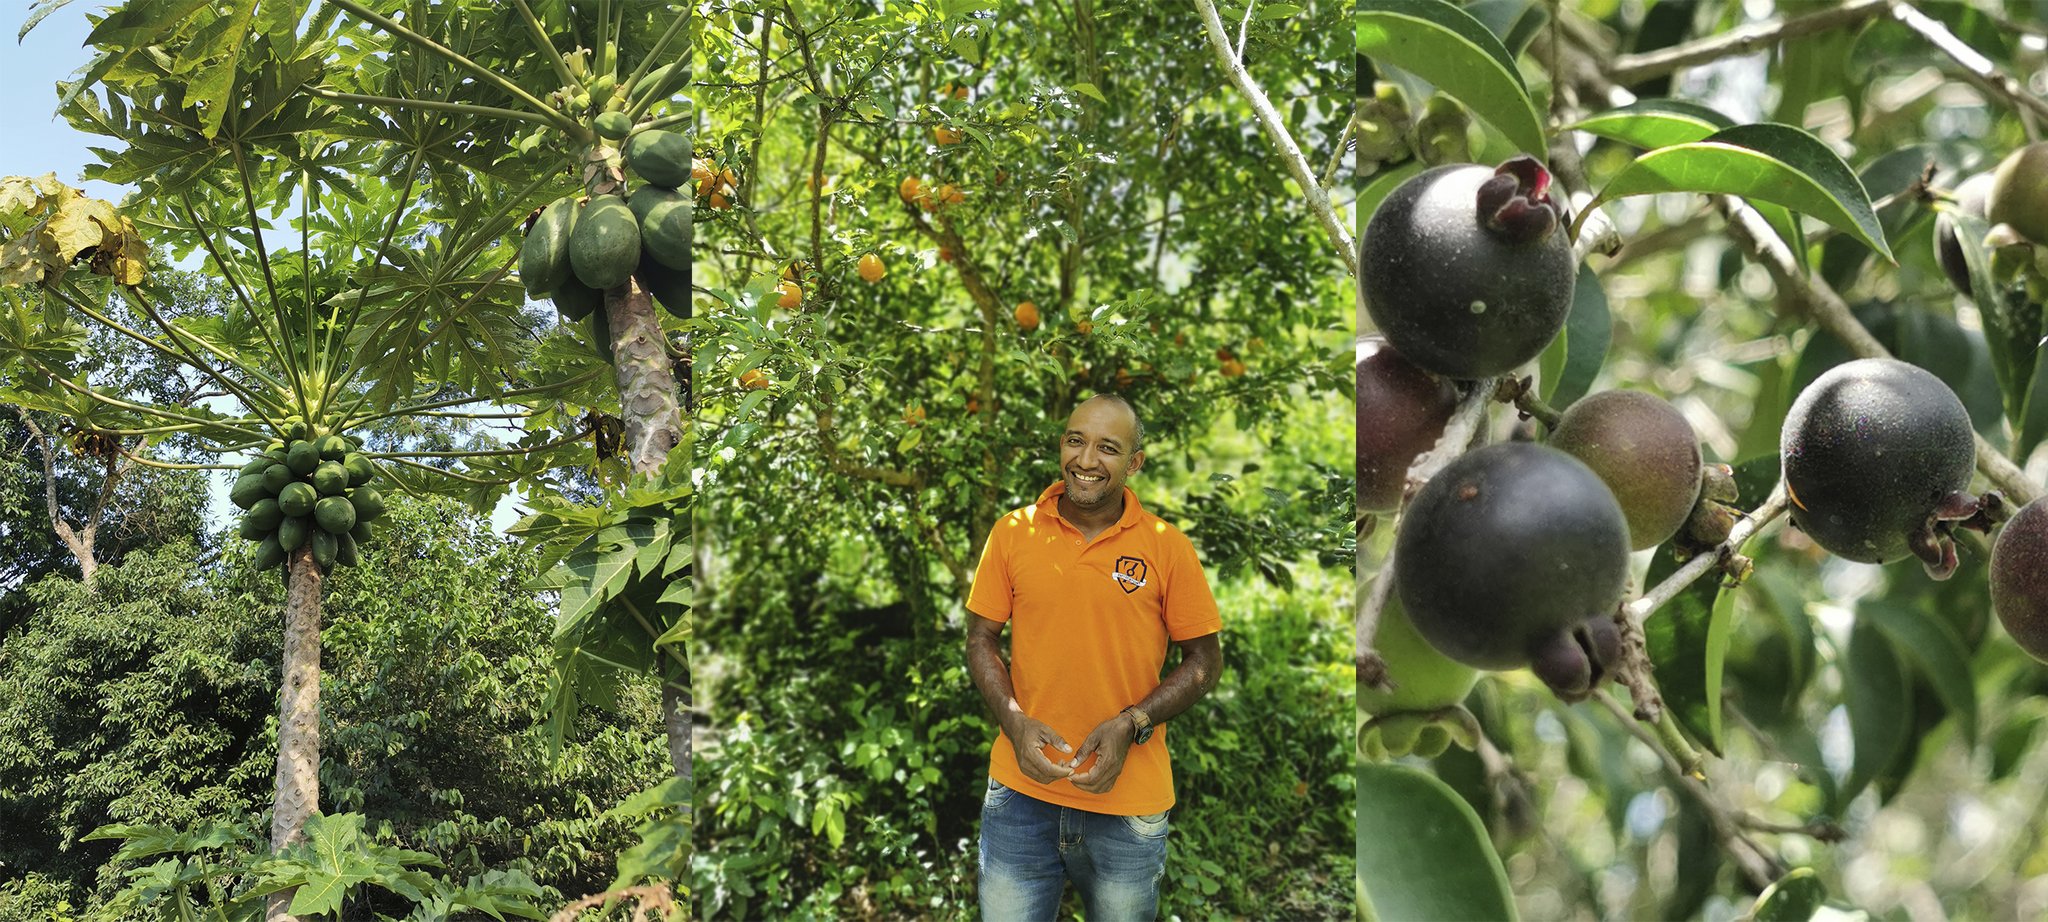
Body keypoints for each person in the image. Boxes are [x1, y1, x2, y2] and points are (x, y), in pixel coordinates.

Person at [965, 393, 1224, 921]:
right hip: (1020, 794)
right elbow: (980, 638)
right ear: (1061, 444)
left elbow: (1203, 661)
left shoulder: (1165, 547)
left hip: (1128, 806)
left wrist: (1133, 722)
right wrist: (1013, 723)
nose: (1086, 460)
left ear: (1135, 462)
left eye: (1108, 448)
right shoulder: (1013, 532)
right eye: (1076, 441)